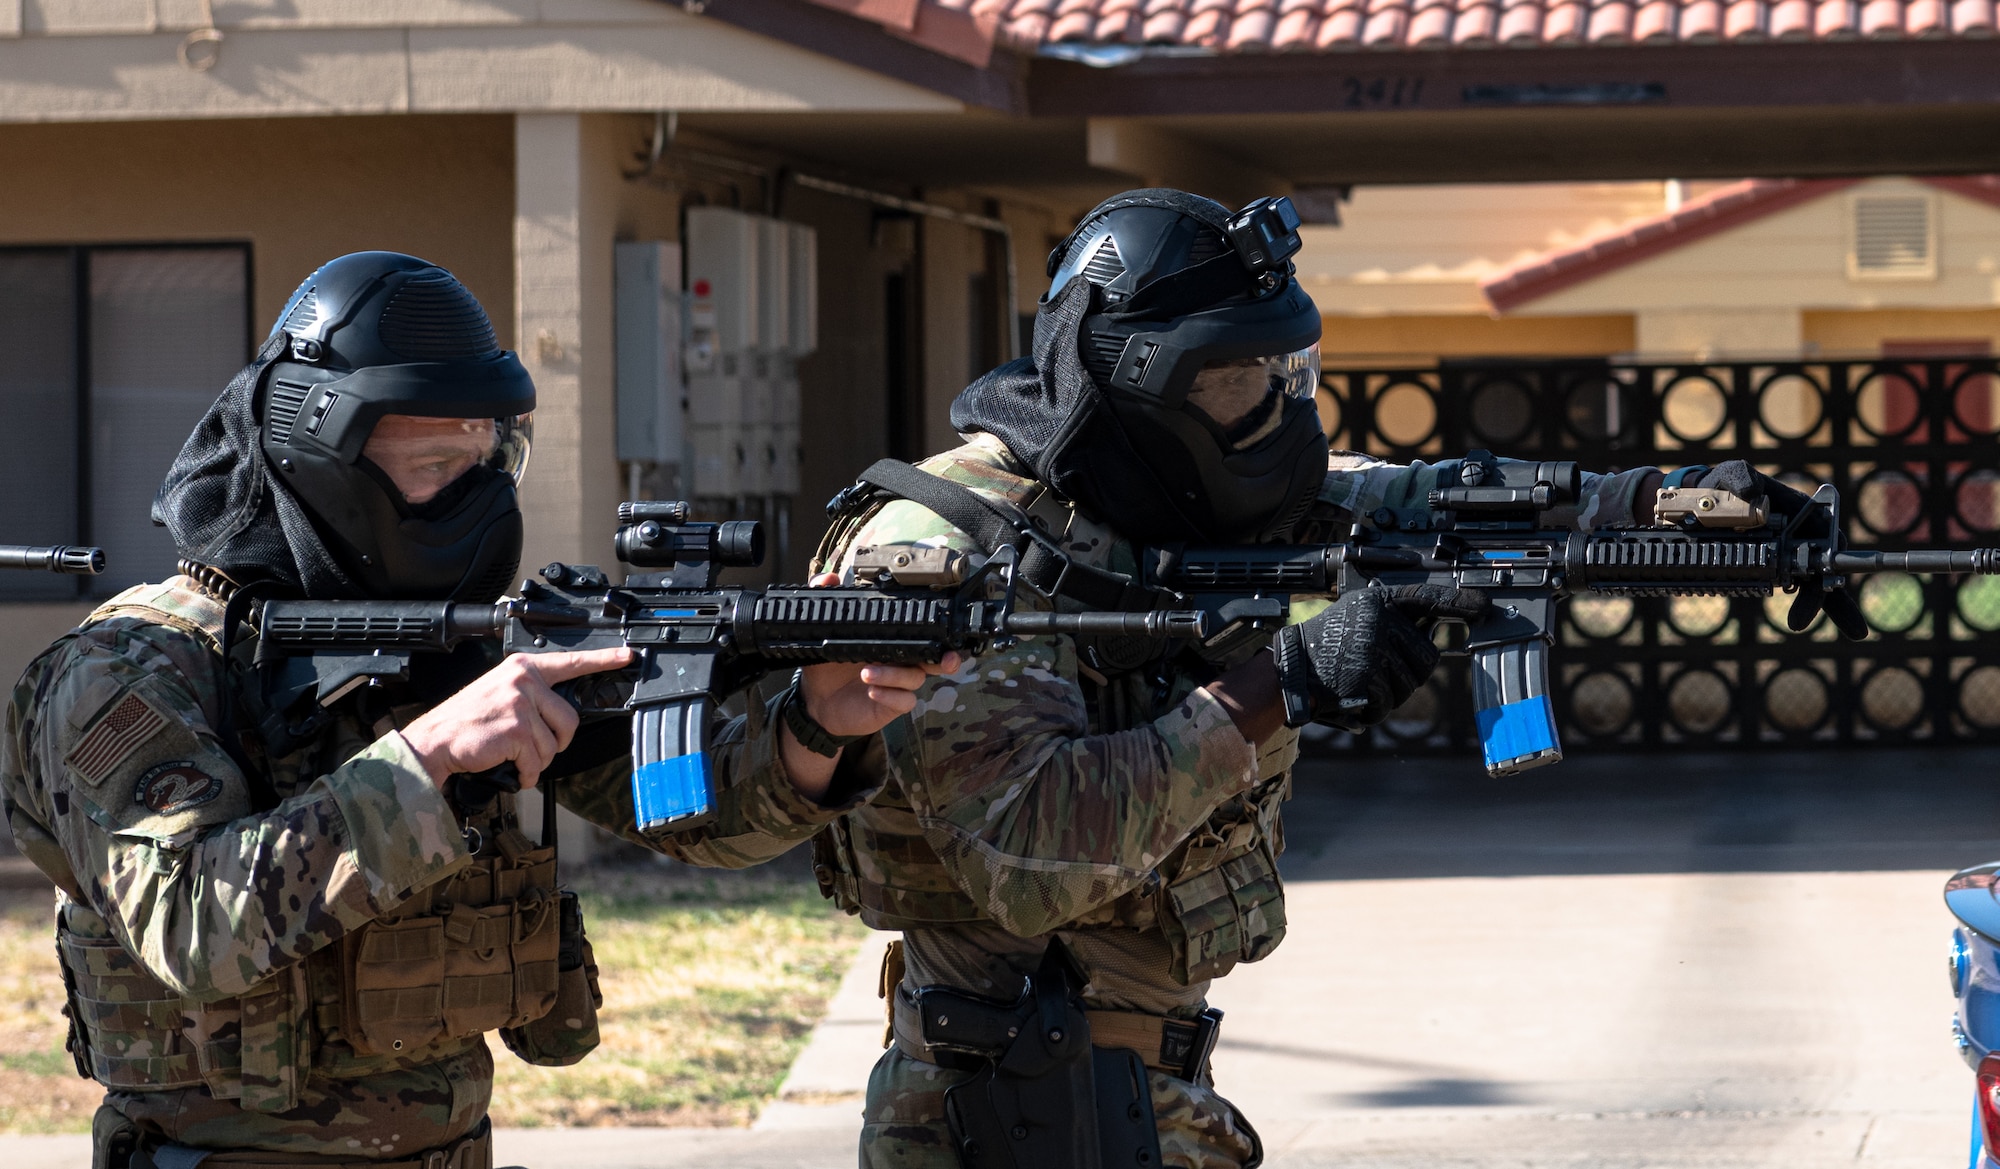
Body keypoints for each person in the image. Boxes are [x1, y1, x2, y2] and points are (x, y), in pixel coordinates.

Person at [807, 188, 1861, 1169]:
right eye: (1239, 385)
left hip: (1130, 1083)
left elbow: (1428, 499)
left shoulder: (1156, 487)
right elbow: (1030, 853)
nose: (1277, 413)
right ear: (1138, 377)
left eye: (1288, 378)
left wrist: (1663, 503)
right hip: (1002, 1100)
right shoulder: (948, 545)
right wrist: (1288, 683)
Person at [0, 251, 943, 1168]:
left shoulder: (456, 647)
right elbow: (189, 923)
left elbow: (691, 815)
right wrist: (428, 759)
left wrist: (817, 727)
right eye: (437, 465)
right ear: (322, 454)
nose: (479, 500)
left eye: (492, 460)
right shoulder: (132, 668)